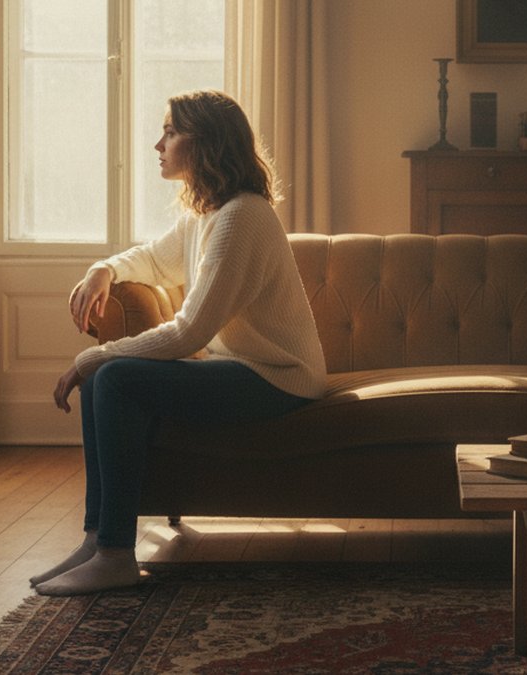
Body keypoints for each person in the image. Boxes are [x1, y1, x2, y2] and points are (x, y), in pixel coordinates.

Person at [32, 90, 327, 596]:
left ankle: (115, 554)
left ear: (206, 142)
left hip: (277, 379)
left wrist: (92, 355)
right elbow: (152, 259)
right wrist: (104, 269)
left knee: (114, 374)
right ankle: (100, 541)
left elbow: (190, 332)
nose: (157, 144)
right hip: (244, 370)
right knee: (108, 372)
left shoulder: (241, 217)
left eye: (170, 132)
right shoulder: (205, 215)